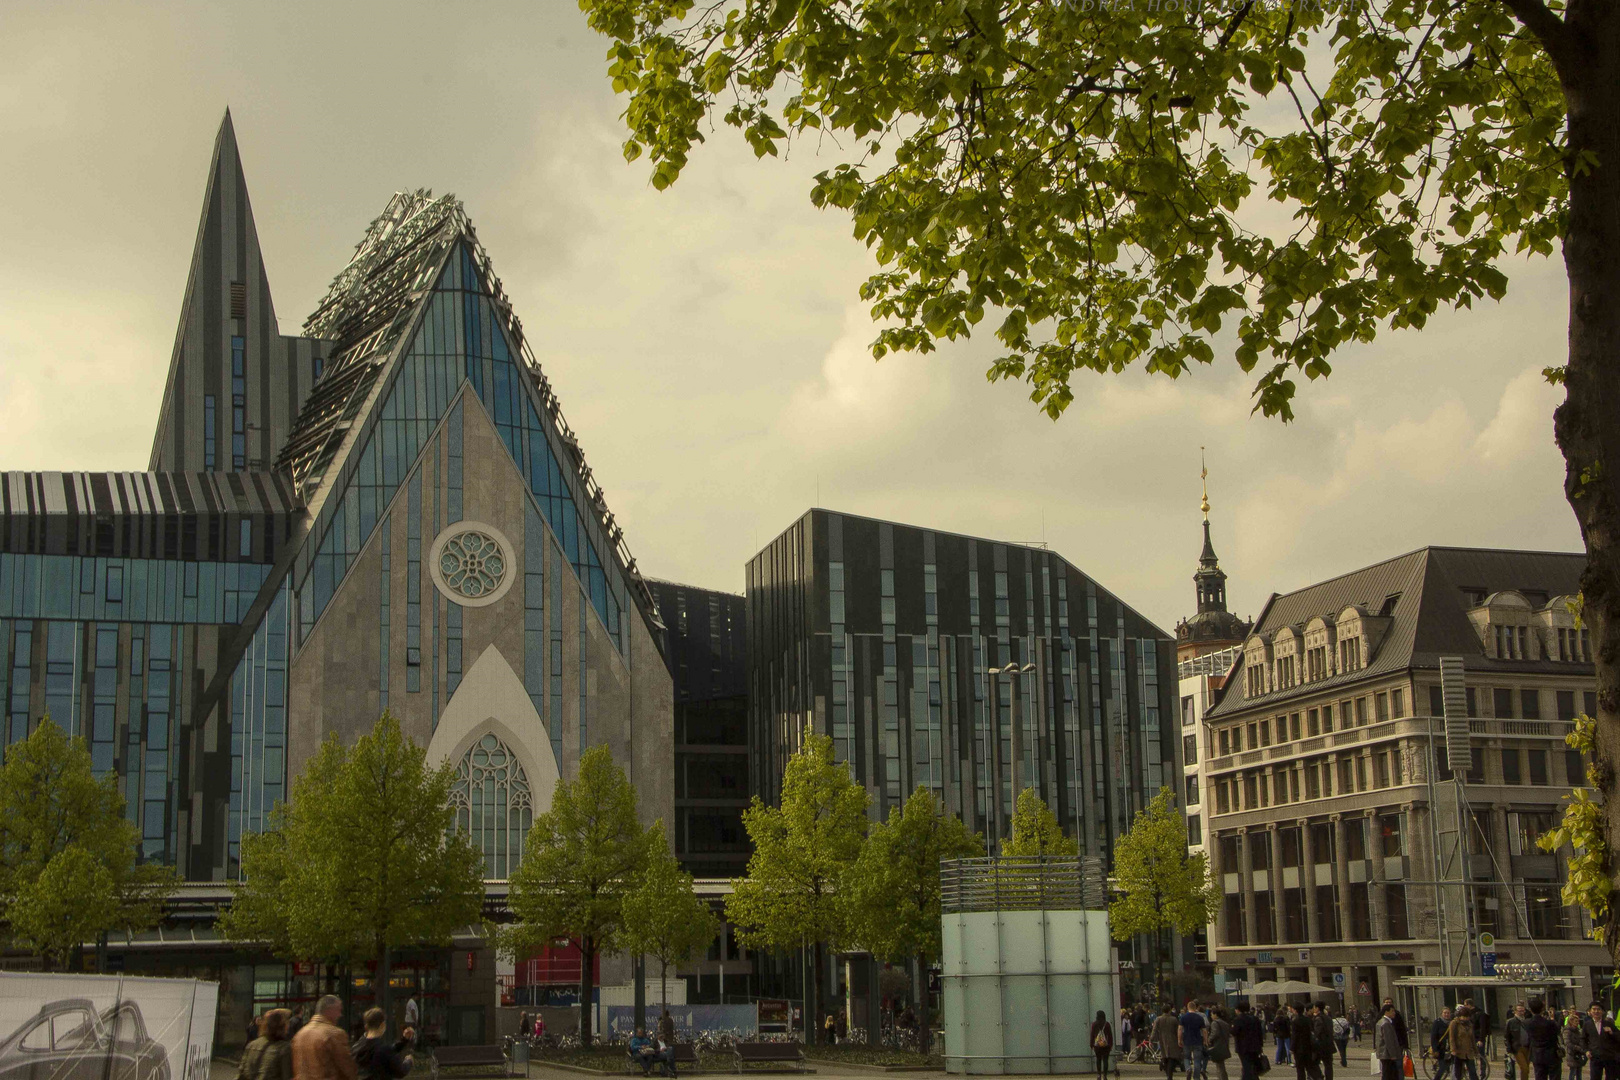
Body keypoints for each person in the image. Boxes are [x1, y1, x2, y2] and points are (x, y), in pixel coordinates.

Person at [292, 995, 358, 1080]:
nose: (340, 1015)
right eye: (339, 1010)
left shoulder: (299, 1035)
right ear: (330, 1010)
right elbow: (347, 1068)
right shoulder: (335, 1034)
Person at [350, 1008, 415, 1080]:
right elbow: (401, 1071)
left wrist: (404, 1041)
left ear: (366, 1026)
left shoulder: (356, 1046)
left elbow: (386, 1053)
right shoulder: (382, 1050)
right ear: (382, 1025)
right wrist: (408, 1061)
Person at [240, 1009, 294, 1080]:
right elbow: (287, 1076)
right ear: (282, 1026)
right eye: (287, 1023)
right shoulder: (284, 1048)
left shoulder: (252, 1045)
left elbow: (241, 1073)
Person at [1582, 1002, 1620, 1080]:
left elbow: (1618, 1036)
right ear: (1590, 1011)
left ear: (1602, 1011)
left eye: (1598, 1009)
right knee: (1595, 1077)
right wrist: (1586, 1051)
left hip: (1609, 1056)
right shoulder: (1587, 1024)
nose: (1596, 1011)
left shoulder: (1608, 1023)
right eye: (1594, 1009)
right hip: (1595, 1056)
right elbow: (1583, 1039)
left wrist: (1611, 1032)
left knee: (1611, 1077)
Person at [1526, 999, 1561, 1080]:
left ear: (1530, 1010)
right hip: (1552, 1054)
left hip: (1537, 1055)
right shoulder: (1549, 1023)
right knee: (1555, 1076)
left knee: (1540, 1076)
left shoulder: (1527, 1023)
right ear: (1542, 1009)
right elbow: (1557, 1031)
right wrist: (1552, 1018)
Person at [1234, 1002, 1267, 1080]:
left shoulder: (1238, 1019)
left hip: (1243, 1047)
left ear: (1238, 1010)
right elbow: (1260, 1033)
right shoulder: (1255, 1019)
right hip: (1255, 1046)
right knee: (1253, 1066)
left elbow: (1234, 1031)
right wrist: (1260, 1045)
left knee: (1246, 1067)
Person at [1447, 1005, 1480, 1080]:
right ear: (1460, 1016)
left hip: (1469, 1052)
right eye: (1464, 1016)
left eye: (1468, 1016)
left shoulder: (1470, 1024)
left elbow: (1472, 1039)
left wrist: (1476, 1051)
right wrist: (1453, 1050)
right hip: (1459, 1052)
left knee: (1472, 1072)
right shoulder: (1454, 1023)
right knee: (1458, 1073)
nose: (1466, 1018)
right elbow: (1451, 1037)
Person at [1292, 1004, 1324, 1080]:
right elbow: (1312, 1031)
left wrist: (1292, 1047)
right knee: (1309, 1066)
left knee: (1300, 1069)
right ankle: (1318, 1077)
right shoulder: (1308, 1019)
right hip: (1308, 1046)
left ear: (1296, 1011)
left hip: (1299, 1048)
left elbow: (1295, 1035)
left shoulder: (1295, 1021)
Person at [1155, 1004, 1185, 1080]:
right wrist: (1180, 1039)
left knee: (1165, 1056)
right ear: (1169, 1010)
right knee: (1171, 1058)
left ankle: (1165, 1069)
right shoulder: (1174, 1019)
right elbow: (1177, 1030)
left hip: (1162, 1040)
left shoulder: (1158, 1019)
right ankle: (1170, 1075)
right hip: (1173, 1040)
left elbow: (1154, 1030)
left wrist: (1151, 1039)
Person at [1377, 1003, 1406, 1080]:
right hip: (1387, 1055)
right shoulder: (1386, 1023)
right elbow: (1389, 1041)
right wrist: (1393, 1055)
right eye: (1392, 1011)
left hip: (1384, 1054)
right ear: (1386, 1012)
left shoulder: (1381, 1021)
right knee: (1390, 1075)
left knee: (1387, 1074)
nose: (1394, 1013)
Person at [1183, 1000, 1210, 1080]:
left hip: (1187, 1040)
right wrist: (1206, 1040)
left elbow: (1180, 1029)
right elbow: (1205, 1029)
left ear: (1188, 1008)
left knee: (1186, 1057)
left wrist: (1179, 1039)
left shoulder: (1184, 1017)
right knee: (1197, 1059)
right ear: (1196, 1007)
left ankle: (1188, 1068)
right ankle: (1197, 1077)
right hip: (1198, 1040)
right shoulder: (1201, 1016)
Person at [1207, 1007, 1233, 1080]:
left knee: (1219, 1066)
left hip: (1217, 1046)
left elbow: (1214, 1033)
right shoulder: (1224, 1023)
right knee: (1221, 1065)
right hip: (1224, 1045)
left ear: (1215, 1014)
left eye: (1212, 1014)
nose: (1211, 1016)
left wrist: (1208, 1040)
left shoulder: (1215, 1023)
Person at [1312, 1003, 1336, 1080]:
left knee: (1313, 1062)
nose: (1314, 1009)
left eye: (1315, 1007)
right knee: (1328, 1065)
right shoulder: (1328, 1018)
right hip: (1329, 1044)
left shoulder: (1318, 1018)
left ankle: (1319, 1077)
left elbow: (1317, 1032)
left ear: (1318, 1008)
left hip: (1321, 1045)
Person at [1563, 1007, 1586, 1080]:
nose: (1577, 1023)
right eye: (1576, 1021)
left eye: (1578, 1021)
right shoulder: (1567, 1031)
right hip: (1572, 1054)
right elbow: (1567, 1042)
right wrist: (1577, 1047)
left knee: (1579, 1072)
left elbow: (1581, 1040)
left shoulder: (1578, 1030)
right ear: (1571, 1022)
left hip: (1579, 1054)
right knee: (1573, 1072)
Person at [1092, 1010, 1116, 1077]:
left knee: (1098, 1059)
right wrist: (1111, 1044)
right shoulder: (1107, 1024)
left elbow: (1092, 1035)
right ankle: (1105, 1075)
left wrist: (1091, 1044)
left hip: (1097, 1045)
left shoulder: (1094, 1024)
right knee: (1105, 1060)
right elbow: (1110, 1035)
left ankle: (1099, 1074)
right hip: (1106, 1045)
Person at [1511, 1004, 1532, 1080]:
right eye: (1519, 1011)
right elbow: (1507, 1036)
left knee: (1527, 1069)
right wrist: (1509, 1050)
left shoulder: (1527, 1021)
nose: (1521, 1012)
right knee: (1524, 1068)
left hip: (1527, 1047)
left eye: (1522, 1010)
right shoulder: (1511, 1022)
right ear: (1515, 1012)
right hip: (1518, 1048)